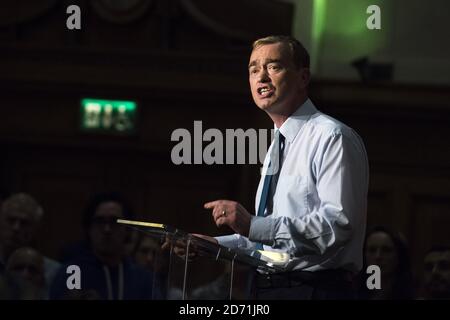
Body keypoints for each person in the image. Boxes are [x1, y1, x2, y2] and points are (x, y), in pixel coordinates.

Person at [198, 35, 369, 299]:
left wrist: (253, 225)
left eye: (273, 66)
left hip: (315, 289)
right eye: (254, 69)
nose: (261, 77)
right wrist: (212, 245)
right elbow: (269, 240)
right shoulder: (276, 147)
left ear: (303, 78)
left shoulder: (332, 137)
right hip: (267, 288)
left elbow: (337, 225)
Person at [50, 192, 158, 300]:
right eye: (100, 222)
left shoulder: (143, 279)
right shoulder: (72, 273)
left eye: (114, 222)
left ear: (127, 230)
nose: (107, 229)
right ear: (89, 228)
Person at [0, 193, 60, 293]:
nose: (16, 228)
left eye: (24, 223)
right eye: (11, 220)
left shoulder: (53, 273)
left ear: (35, 229)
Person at [357, 226, 414, 299]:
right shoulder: (353, 293)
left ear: (399, 255)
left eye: (386, 250)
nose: (378, 256)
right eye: (372, 250)